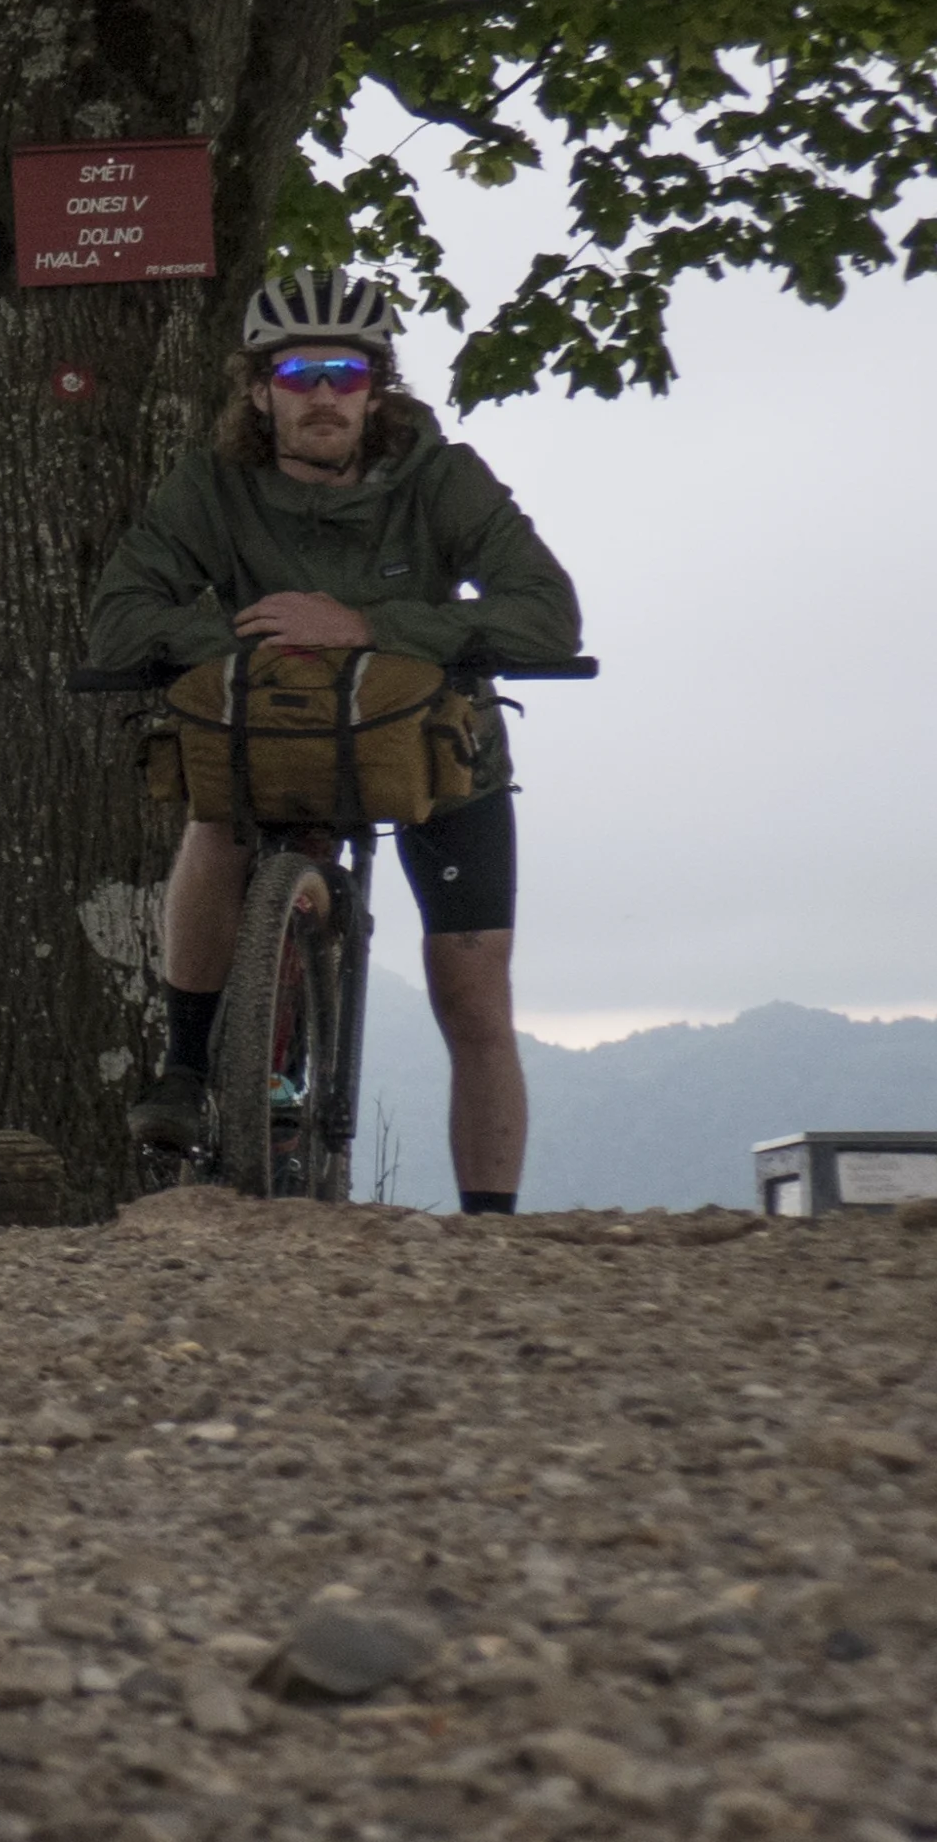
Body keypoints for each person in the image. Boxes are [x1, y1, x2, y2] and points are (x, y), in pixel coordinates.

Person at [81, 270, 581, 1215]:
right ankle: (187, 1067)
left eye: (346, 371)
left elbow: (546, 614)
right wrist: (255, 635)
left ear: (377, 386)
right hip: (276, 744)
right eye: (299, 369)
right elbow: (119, 619)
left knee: (472, 992)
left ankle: (488, 1227)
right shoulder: (213, 487)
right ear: (257, 387)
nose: (322, 392)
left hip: (439, 758)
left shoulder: (443, 478)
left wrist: (367, 622)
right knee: (214, 815)